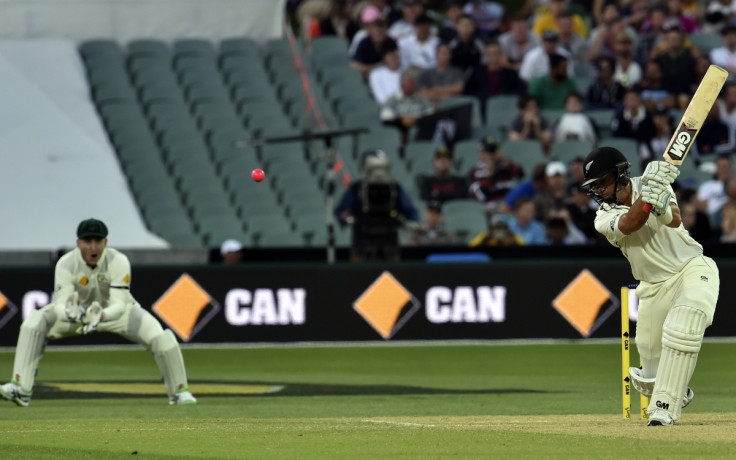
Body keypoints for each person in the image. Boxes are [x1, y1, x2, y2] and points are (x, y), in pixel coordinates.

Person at [582, 146, 719, 426]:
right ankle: (675, 389)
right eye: (594, 186)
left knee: (684, 325)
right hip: (653, 287)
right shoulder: (602, 218)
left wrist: (658, 197)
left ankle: (664, 409)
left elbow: (676, 218)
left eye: (602, 183)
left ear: (620, 175)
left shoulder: (652, 181)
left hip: (690, 268)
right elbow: (632, 222)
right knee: (650, 372)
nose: (599, 191)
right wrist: (650, 195)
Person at [0, 218, 197, 406]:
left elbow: (119, 305)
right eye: (87, 241)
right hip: (77, 314)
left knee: (160, 336)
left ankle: (179, 392)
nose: (93, 247)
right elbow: (60, 305)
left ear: (106, 242)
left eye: (98, 241)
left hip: (116, 314)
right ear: (78, 242)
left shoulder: (118, 261)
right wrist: (72, 313)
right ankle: (21, 388)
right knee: (35, 321)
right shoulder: (66, 264)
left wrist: (101, 316)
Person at [335, 149, 419, 261]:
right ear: (365, 169)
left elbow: (411, 213)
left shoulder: (395, 189)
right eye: (373, 169)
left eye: (382, 169)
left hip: (390, 243)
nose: (378, 173)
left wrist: (413, 224)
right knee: (359, 277)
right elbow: (341, 211)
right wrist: (345, 217)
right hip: (362, 243)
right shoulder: (357, 189)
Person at [463, 41, 527, 113]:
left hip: (504, 108)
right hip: (482, 108)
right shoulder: (477, 72)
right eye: (491, 53)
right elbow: (468, 92)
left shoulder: (510, 74)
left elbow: (521, 91)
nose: (493, 56)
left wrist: (505, 97)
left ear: (501, 54)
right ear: (486, 55)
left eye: (496, 53)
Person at [468, 136, 525, 214]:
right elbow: (481, 196)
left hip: (512, 205)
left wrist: (506, 162)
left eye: (493, 151)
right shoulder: (475, 172)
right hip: (492, 210)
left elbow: (521, 175)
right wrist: (489, 174)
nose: (491, 155)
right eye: (488, 152)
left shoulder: (505, 165)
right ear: (481, 153)